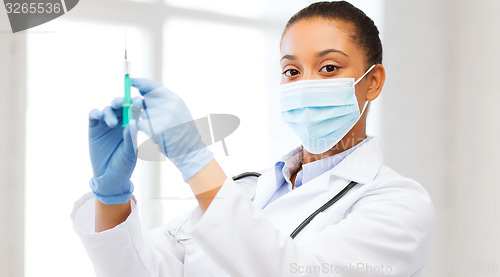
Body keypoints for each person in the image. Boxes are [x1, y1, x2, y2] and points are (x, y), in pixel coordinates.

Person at [72, 1, 434, 276]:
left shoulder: (398, 204)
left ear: (372, 81)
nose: (305, 83)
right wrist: (111, 196)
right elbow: (140, 270)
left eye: (329, 67)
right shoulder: (248, 189)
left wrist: (194, 158)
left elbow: (295, 269)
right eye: (291, 71)